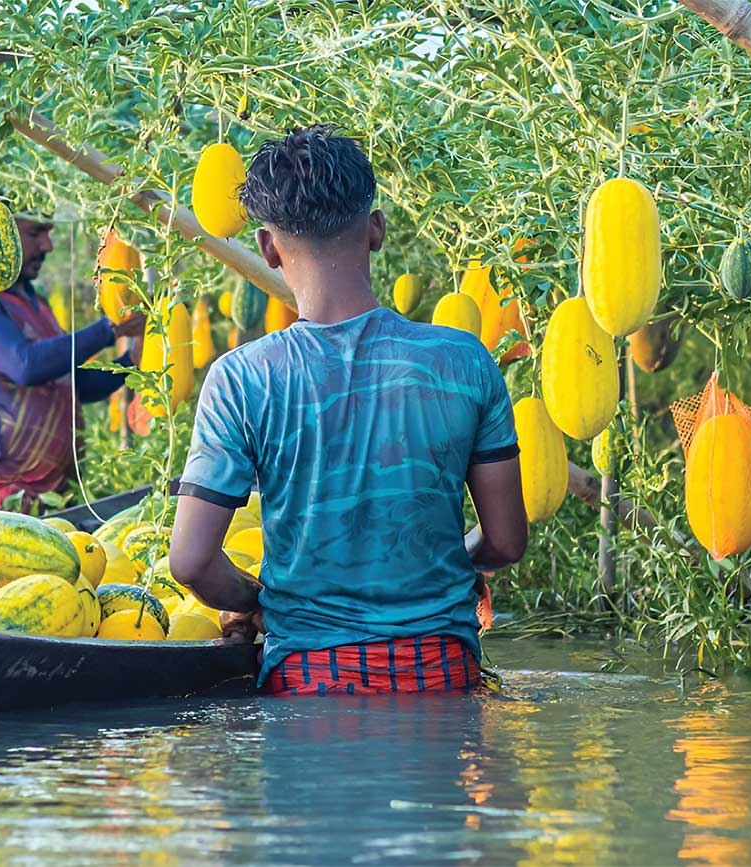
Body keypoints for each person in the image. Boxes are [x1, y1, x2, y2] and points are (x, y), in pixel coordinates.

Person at [167, 126, 527, 696]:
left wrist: (261, 602)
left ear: (266, 247)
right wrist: (445, 563)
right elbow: (505, 543)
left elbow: (189, 561)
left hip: (309, 679)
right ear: (377, 229)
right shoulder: (464, 361)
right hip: (442, 673)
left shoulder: (243, 378)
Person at [0, 216, 147, 511]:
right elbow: (26, 365)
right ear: (0, 231)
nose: (48, 245)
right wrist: (111, 330)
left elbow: (78, 385)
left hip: (57, 498)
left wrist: (130, 360)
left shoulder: (36, 303)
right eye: (36, 233)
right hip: (1, 499)